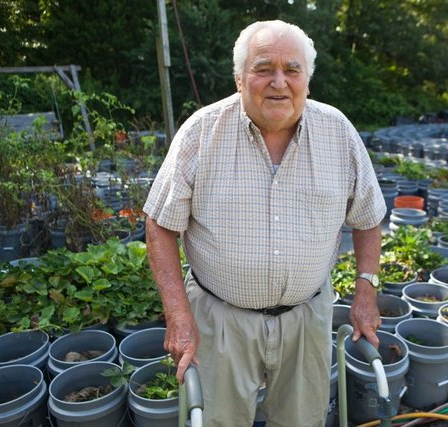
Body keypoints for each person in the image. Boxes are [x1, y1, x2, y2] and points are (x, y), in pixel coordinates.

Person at [143, 19, 386, 426]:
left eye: (292, 70)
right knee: (218, 421)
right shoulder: (201, 133)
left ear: (307, 80)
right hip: (220, 321)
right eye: (263, 69)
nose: (279, 82)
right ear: (239, 79)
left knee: (302, 421)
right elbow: (160, 225)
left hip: (307, 318)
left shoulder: (338, 133)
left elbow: (368, 219)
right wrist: (179, 317)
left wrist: (366, 293)